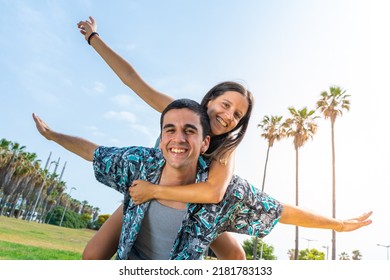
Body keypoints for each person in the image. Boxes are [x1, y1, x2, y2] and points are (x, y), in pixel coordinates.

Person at [33, 99, 373, 260]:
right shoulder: (141, 164)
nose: (178, 139)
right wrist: (53, 137)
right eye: (170, 130)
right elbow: (94, 151)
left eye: (190, 131)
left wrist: (338, 225)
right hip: (133, 256)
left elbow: (281, 210)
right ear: (161, 135)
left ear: (206, 141)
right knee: (91, 257)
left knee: (236, 258)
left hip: (184, 254)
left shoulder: (224, 190)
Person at [77, 16, 253, 260]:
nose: (228, 116)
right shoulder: (181, 112)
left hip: (189, 209)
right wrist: (93, 39)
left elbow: (213, 193)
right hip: (146, 196)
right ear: (210, 99)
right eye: (225, 104)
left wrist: (155, 191)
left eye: (237, 115)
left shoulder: (225, 151)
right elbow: (132, 80)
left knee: (236, 255)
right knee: (92, 255)